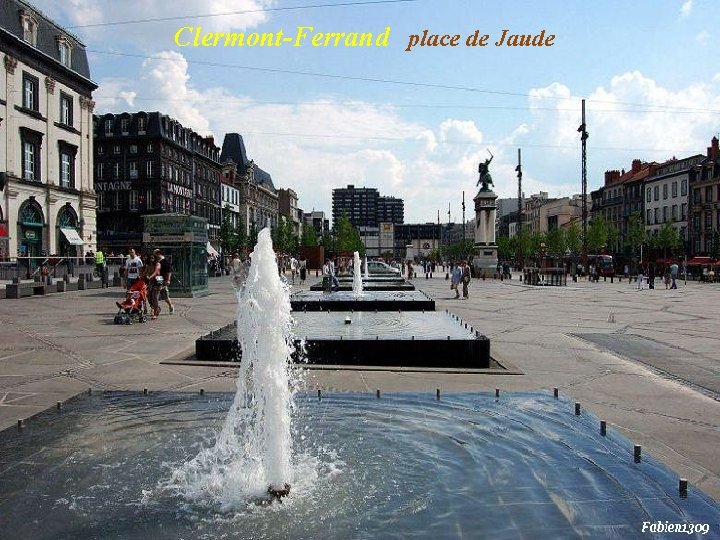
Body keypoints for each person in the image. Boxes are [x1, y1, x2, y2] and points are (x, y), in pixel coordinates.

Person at [155, 249, 174, 314]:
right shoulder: (156, 261)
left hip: (162, 279)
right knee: (155, 295)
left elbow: (169, 271)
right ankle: (157, 308)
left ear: (158, 254)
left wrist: (168, 280)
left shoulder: (165, 261)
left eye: (155, 254)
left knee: (165, 295)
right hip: (157, 278)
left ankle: (170, 306)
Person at [144, 254, 162, 319]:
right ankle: (157, 308)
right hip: (151, 282)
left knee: (155, 298)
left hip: (158, 281)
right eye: (150, 258)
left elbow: (156, 272)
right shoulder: (148, 265)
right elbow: (145, 272)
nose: (151, 259)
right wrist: (142, 277)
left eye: (153, 258)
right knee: (149, 298)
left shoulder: (158, 264)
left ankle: (155, 314)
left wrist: (150, 276)